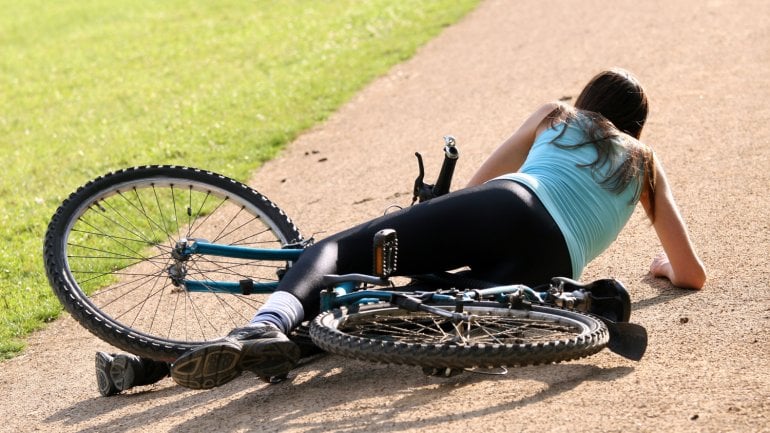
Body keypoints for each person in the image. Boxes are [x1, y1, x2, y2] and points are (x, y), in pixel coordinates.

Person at [97, 68, 706, 394]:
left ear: (589, 99)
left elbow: (478, 184)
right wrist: (659, 269)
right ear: (637, 125)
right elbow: (690, 273)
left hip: (510, 203)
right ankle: (170, 366)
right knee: (388, 311)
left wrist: (432, 218)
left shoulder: (559, 112)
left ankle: (261, 326)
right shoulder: (645, 163)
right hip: (548, 270)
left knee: (336, 251)